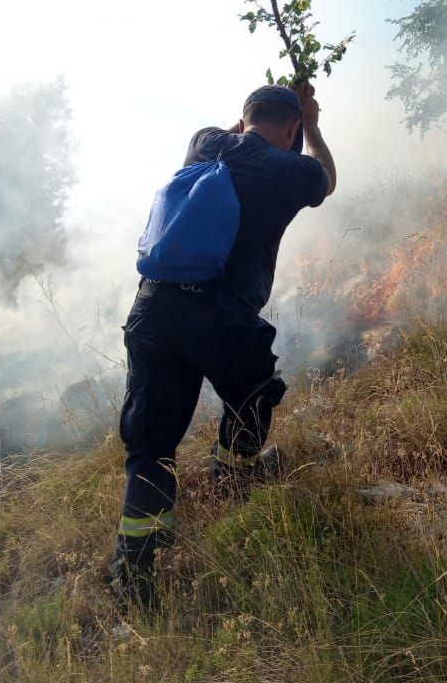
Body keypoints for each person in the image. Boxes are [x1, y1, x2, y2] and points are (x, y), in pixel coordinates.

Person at [107, 79, 337, 608]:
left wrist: (268, 120)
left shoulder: (205, 141)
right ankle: (234, 484)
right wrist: (315, 127)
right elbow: (325, 177)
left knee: (151, 446)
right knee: (253, 393)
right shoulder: (291, 170)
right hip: (220, 320)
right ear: (292, 129)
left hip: (155, 309)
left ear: (243, 116)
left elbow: (239, 138)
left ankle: (135, 573)